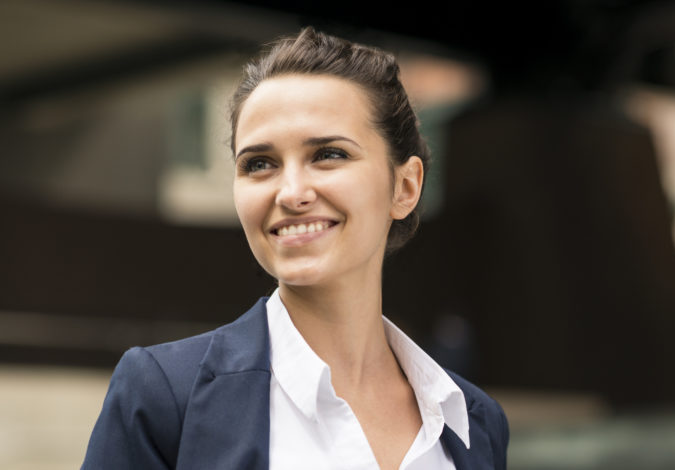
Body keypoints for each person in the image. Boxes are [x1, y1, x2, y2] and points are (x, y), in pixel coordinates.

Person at [82, 27, 509, 470]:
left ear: (405, 186)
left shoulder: (472, 422)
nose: (291, 192)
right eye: (259, 164)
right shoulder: (164, 396)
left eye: (328, 154)